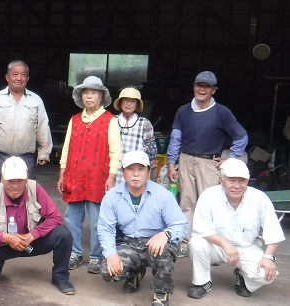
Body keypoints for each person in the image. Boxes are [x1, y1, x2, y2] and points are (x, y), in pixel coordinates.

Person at [0, 156, 75, 295]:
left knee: (64, 234)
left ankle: (60, 277)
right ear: (2, 178)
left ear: (27, 178)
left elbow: (55, 217)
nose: (15, 185)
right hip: (4, 245)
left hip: (32, 243)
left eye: (20, 180)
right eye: (10, 181)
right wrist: (6, 238)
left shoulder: (35, 188)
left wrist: (32, 235)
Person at [166, 71, 248, 251]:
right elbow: (175, 138)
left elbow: (241, 136)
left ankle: (212, 244)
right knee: (187, 202)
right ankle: (186, 242)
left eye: (207, 87)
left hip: (209, 163)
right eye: (199, 85)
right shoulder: (183, 111)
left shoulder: (222, 112)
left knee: (211, 203)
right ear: (194, 87)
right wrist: (172, 163)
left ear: (213, 91)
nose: (202, 89)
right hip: (186, 159)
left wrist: (231, 159)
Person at [98, 151, 189, 306]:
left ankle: (161, 291)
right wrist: (111, 253)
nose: (135, 174)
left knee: (164, 251)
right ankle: (135, 272)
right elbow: (105, 229)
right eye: (130, 169)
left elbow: (181, 224)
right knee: (108, 271)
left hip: (155, 243)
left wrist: (166, 234)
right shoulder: (112, 196)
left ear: (149, 172)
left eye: (140, 169)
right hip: (128, 243)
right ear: (123, 172)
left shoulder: (163, 195)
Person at [187, 158, 285, 299]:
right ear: (221, 181)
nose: (237, 186)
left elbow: (274, 233)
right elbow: (202, 229)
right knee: (196, 243)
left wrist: (268, 257)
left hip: (247, 248)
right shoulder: (208, 196)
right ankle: (202, 282)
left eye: (242, 181)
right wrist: (225, 243)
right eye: (231, 180)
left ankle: (242, 278)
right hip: (217, 246)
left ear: (248, 181)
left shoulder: (260, 199)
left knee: (267, 274)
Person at [56, 76, 122, 273]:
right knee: (72, 218)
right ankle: (75, 253)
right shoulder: (75, 120)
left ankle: (96, 256)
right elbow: (66, 149)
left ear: (101, 96)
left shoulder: (110, 120)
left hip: (98, 180)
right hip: (74, 178)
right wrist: (62, 174)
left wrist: (111, 177)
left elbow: (116, 152)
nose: (89, 96)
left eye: (93, 92)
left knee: (97, 220)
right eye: (86, 92)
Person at [0, 60, 52, 187]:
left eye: (23, 75)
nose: (19, 78)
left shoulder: (36, 100)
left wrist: (44, 152)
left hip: (26, 157)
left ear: (27, 78)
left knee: (27, 194)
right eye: (15, 74)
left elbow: (43, 126)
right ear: (7, 77)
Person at [113, 87, 157, 185]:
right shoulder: (112, 121)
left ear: (137, 105)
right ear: (120, 103)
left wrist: (143, 171)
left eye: (133, 101)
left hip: (136, 173)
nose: (128, 104)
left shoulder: (144, 123)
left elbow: (152, 152)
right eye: (125, 100)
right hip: (114, 172)